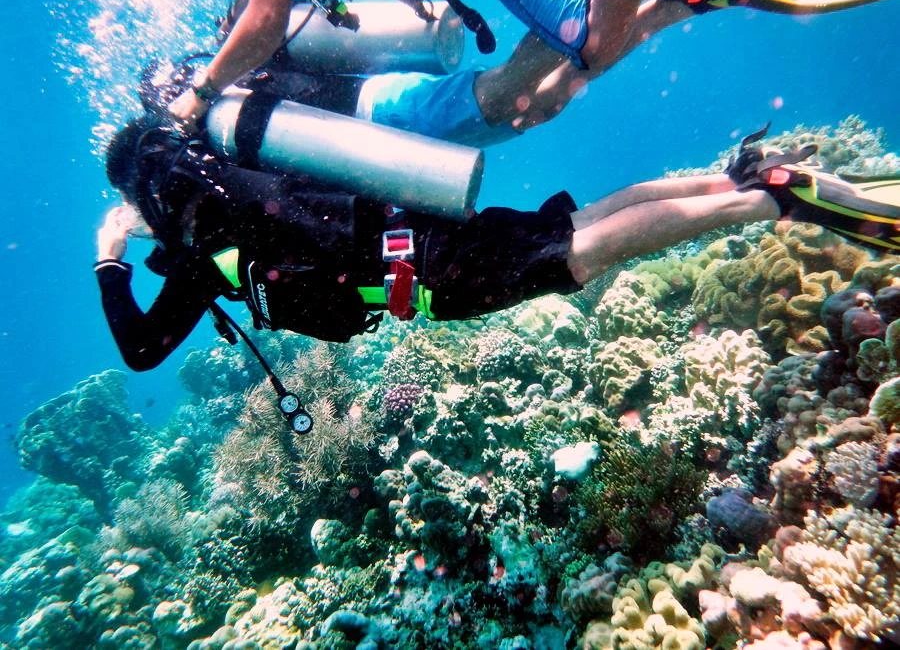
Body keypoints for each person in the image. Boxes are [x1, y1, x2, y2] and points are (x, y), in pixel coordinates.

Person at [96, 115, 899, 377]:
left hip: (414, 275)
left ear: (144, 191)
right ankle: (733, 178)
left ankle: (765, 201)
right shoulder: (243, 163)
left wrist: (110, 260)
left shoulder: (201, 242)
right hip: (418, 222)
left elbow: (141, 349)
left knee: (573, 257)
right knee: (572, 224)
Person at [168, 0, 900, 139]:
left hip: (371, 110)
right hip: (374, 93)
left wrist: (199, 93)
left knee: (575, 55)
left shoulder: (226, 98)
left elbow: (264, 23)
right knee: (564, 65)